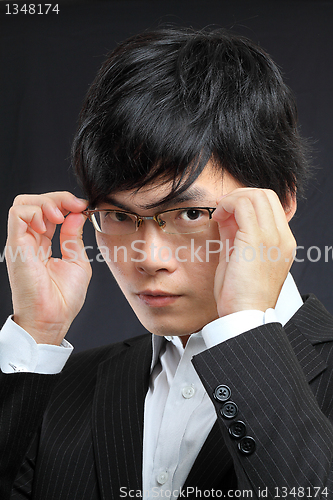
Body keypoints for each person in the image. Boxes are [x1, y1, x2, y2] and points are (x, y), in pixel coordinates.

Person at [1, 27, 333, 499]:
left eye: (191, 213)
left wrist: (244, 327)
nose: (149, 259)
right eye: (118, 215)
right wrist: (35, 334)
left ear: (280, 203)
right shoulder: (59, 382)